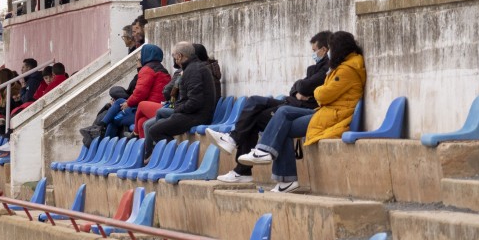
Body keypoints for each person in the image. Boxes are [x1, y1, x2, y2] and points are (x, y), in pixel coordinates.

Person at [238, 31, 366, 193]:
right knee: (283, 113)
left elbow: (323, 94)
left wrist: (318, 91)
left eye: (332, 48)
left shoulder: (347, 70)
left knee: (284, 121)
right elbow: (321, 92)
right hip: (327, 112)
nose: (330, 53)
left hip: (335, 117)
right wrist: (320, 91)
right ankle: (279, 171)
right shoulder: (343, 66)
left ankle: (276, 165)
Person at [207, 31, 332, 182]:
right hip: (291, 102)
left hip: (300, 110)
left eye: (314, 51)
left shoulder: (328, 68)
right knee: (253, 101)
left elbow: (306, 86)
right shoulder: (314, 68)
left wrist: (301, 89)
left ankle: (241, 168)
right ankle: (233, 141)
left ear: (324, 50)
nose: (313, 54)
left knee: (252, 120)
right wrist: (299, 89)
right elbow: (296, 88)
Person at [142, 42, 218, 159]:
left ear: (180, 56)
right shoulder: (194, 68)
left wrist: (178, 109)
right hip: (192, 113)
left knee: (155, 130)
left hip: (196, 116)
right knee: (154, 127)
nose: (174, 59)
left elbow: (194, 102)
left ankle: (178, 158)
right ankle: (170, 157)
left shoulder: (194, 70)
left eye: (174, 56)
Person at [99, 44, 169, 137]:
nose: (139, 59)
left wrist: (128, 103)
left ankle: (102, 134)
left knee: (114, 120)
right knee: (119, 103)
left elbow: (140, 93)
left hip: (144, 109)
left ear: (147, 54)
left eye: (141, 55)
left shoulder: (147, 70)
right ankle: (101, 127)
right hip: (154, 106)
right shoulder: (162, 70)